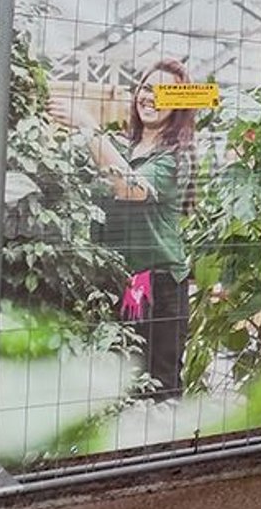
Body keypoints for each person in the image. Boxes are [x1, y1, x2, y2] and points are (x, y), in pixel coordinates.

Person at [50, 58, 197, 402]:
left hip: (158, 285)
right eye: (147, 87)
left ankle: (162, 454)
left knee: (158, 386)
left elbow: (129, 188)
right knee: (118, 381)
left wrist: (88, 124)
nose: (152, 97)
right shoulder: (121, 146)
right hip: (116, 281)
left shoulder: (177, 157)